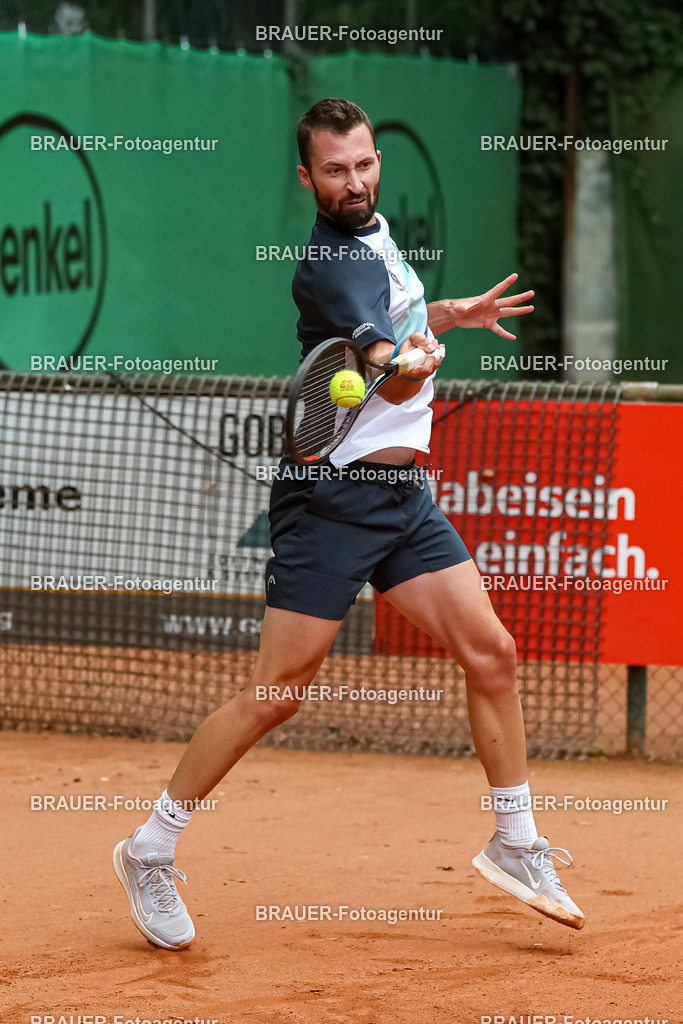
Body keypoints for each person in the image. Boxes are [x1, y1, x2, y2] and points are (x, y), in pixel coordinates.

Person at [113, 98, 584, 951]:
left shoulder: (376, 234)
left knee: (493, 653)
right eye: (334, 171)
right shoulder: (326, 267)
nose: (354, 181)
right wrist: (409, 369)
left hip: (402, 499)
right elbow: (383, 371)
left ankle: (515, 843)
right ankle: (148, 848)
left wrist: (441, 319)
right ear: (307, 178)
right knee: (276, 696)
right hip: (329, 501)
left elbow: (395, 330)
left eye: (363, 164)